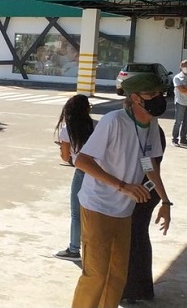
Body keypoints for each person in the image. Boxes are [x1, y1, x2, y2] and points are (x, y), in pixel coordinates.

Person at [71, 72, 172, 308]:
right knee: (96, 274)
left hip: (124, 210)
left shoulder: (151, 124)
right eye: (152, 94)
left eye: (159, 93)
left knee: (117, 275)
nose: (158, 98)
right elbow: (82, 161)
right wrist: (122, 186)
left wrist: (166, 202)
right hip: (98, 205)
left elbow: (149, 164)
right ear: (136, 98)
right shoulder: (113, 121)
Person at [121, 126, 166, 303]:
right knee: (138, 238)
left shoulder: (148, 133)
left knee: (133, 240)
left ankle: (132, 290)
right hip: (146, 190)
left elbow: (147, 164)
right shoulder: (149, 131)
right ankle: (141, 289)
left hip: (142, 191)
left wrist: (165, 199)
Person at [53, 94, 96, 262]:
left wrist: (65, 151)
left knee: (76, 213)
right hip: (100, 172)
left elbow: (65, 157)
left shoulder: (67, 130)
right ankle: (93, 248)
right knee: (94, 212)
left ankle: (73, 249)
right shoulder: (97, 126)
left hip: (81, 171)